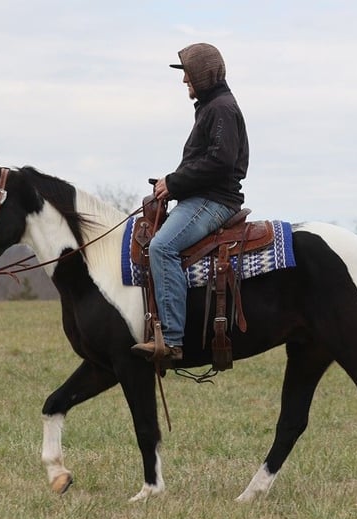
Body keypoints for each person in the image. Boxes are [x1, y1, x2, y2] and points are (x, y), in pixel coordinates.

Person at [131, 43, 249, 362]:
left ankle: (170, 340)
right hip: (202, 196)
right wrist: (170, 183)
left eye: (188, 74)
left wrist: (175, 182)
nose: (185, 81)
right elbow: (206, 160)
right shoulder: (211, 107)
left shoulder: (221, 108)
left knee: (161, 247)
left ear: (204, 74)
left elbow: (220, 163)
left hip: (213, 200)